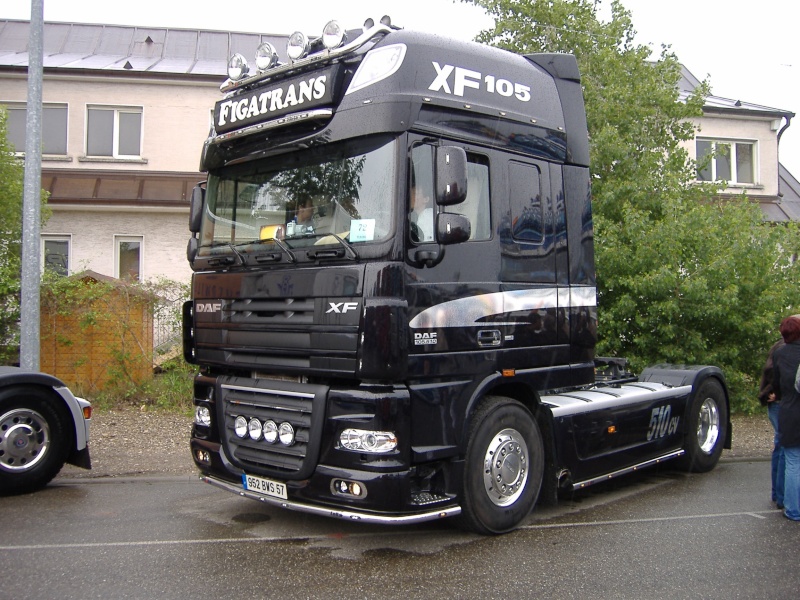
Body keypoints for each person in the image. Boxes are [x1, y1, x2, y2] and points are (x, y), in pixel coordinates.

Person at [772, 315, 800, 521]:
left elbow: (777, 385)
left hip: (790, 411)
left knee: (792, 461)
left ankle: (792, 509)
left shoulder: (780, 353)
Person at [759, 338, 785, 508]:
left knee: (780, 446)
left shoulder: (780, 345)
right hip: (780, 402)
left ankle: (778, 493)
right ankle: (782, 496)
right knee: (785, 448)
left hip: (776, 401)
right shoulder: (785, 348)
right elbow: (774, 372)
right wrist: (777, 391)